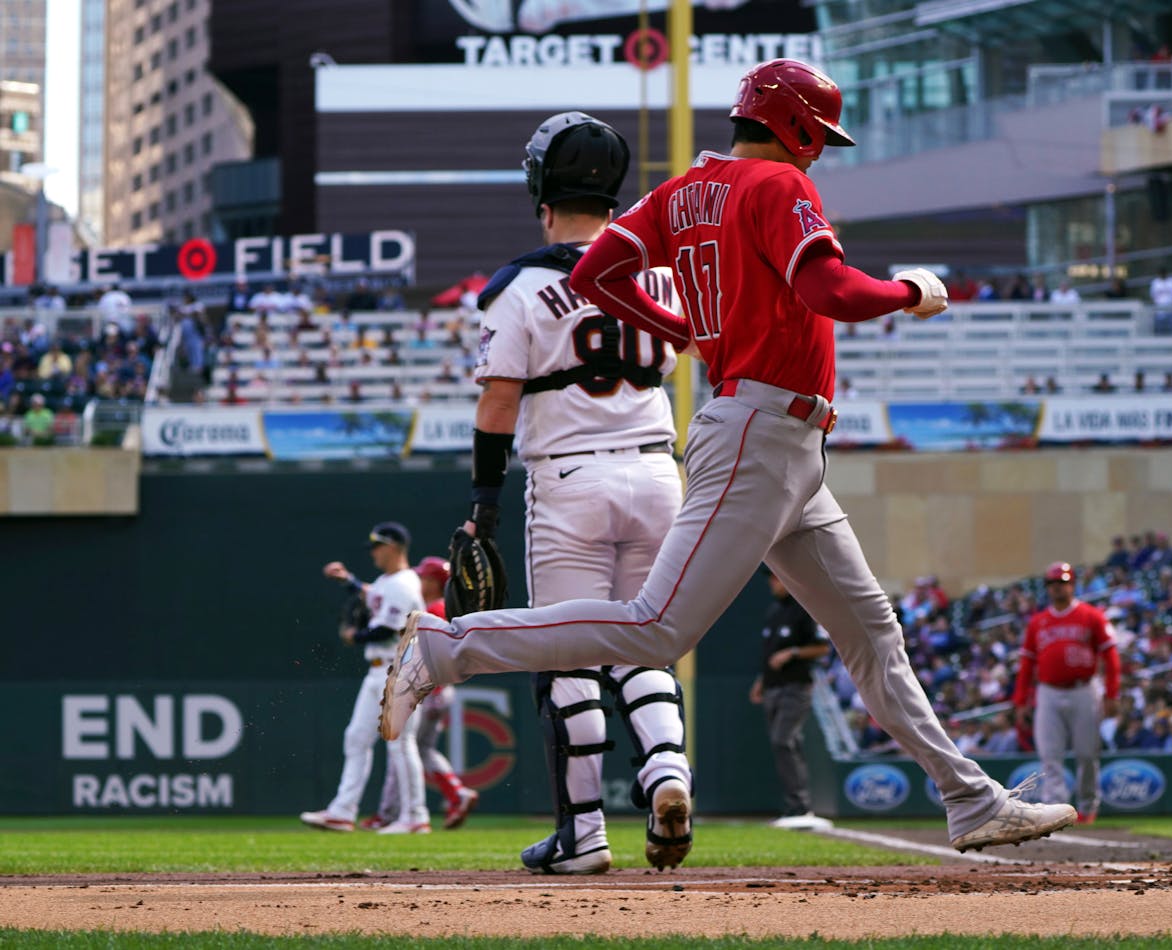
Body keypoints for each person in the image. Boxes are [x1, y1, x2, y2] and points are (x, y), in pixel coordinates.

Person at [381, 59, 1078, 855]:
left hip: (782, 440)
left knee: (872, 631)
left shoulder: (682, 191)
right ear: (794, 122)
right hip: (760, 430)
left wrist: (675, 328)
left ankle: (969, 798)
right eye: (819, 133)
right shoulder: (779, 185)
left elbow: (596, 269)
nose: (820, 150)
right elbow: (830, 291)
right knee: (653, 630)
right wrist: (909, 293)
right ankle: (446, 646)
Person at [461, 111, 694, 875]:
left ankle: (584, 836)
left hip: (568, 476)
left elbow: (498, 404)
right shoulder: (660, 271)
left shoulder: (522, 284)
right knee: (647, 642)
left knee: (568, 657)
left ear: (540, 185)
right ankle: (666, 772)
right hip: (658, 468)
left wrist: (484, 503)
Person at [301, 522, 431, 834]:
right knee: (357, 737)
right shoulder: (388, 582)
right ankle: (342, 811)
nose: (372, 552)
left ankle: (415, 816)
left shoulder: (403, 583)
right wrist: (348, 581)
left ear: (393, 547)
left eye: (377, 546)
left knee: (400, 744)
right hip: (380, 670)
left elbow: (384, 628)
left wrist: (353, 636)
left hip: (401, 670)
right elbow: (372, 596)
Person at [364, 556, 480, 831]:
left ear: (432, 581)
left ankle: (389, 814)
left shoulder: (435, 609)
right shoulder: (437, 606)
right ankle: (456, 793)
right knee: (418, 748)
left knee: (402, 749)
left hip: (427, 689)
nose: (418, 581)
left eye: (423, 577)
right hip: (437, 689)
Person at [1011, 562, 1121, 825]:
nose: (1058, 588)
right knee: (1050, 755)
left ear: (1073, 585)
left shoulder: (1092, 615)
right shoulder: (1038, 622)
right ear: (1048, 588)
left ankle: (1087, 806)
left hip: (1083, 689)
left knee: (1087, 753)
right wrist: (1020, 700)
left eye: (1063, 582)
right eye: (1053, 583)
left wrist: (1112, 694)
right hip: (1047, 692)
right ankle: (1055, 809)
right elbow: (1027, 664)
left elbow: (1111, 656)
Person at [749, 568, 832, 830]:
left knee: (784, 740)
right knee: (786, 743)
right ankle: (793, 805)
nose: (772, 583)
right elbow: (769, 653)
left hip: (796, 687)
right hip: (774, 687)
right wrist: (762, 681)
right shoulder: (774, 612)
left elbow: (823, 647)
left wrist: (792, 652)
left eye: (776, 578)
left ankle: (800, 806)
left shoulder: (804, 609)